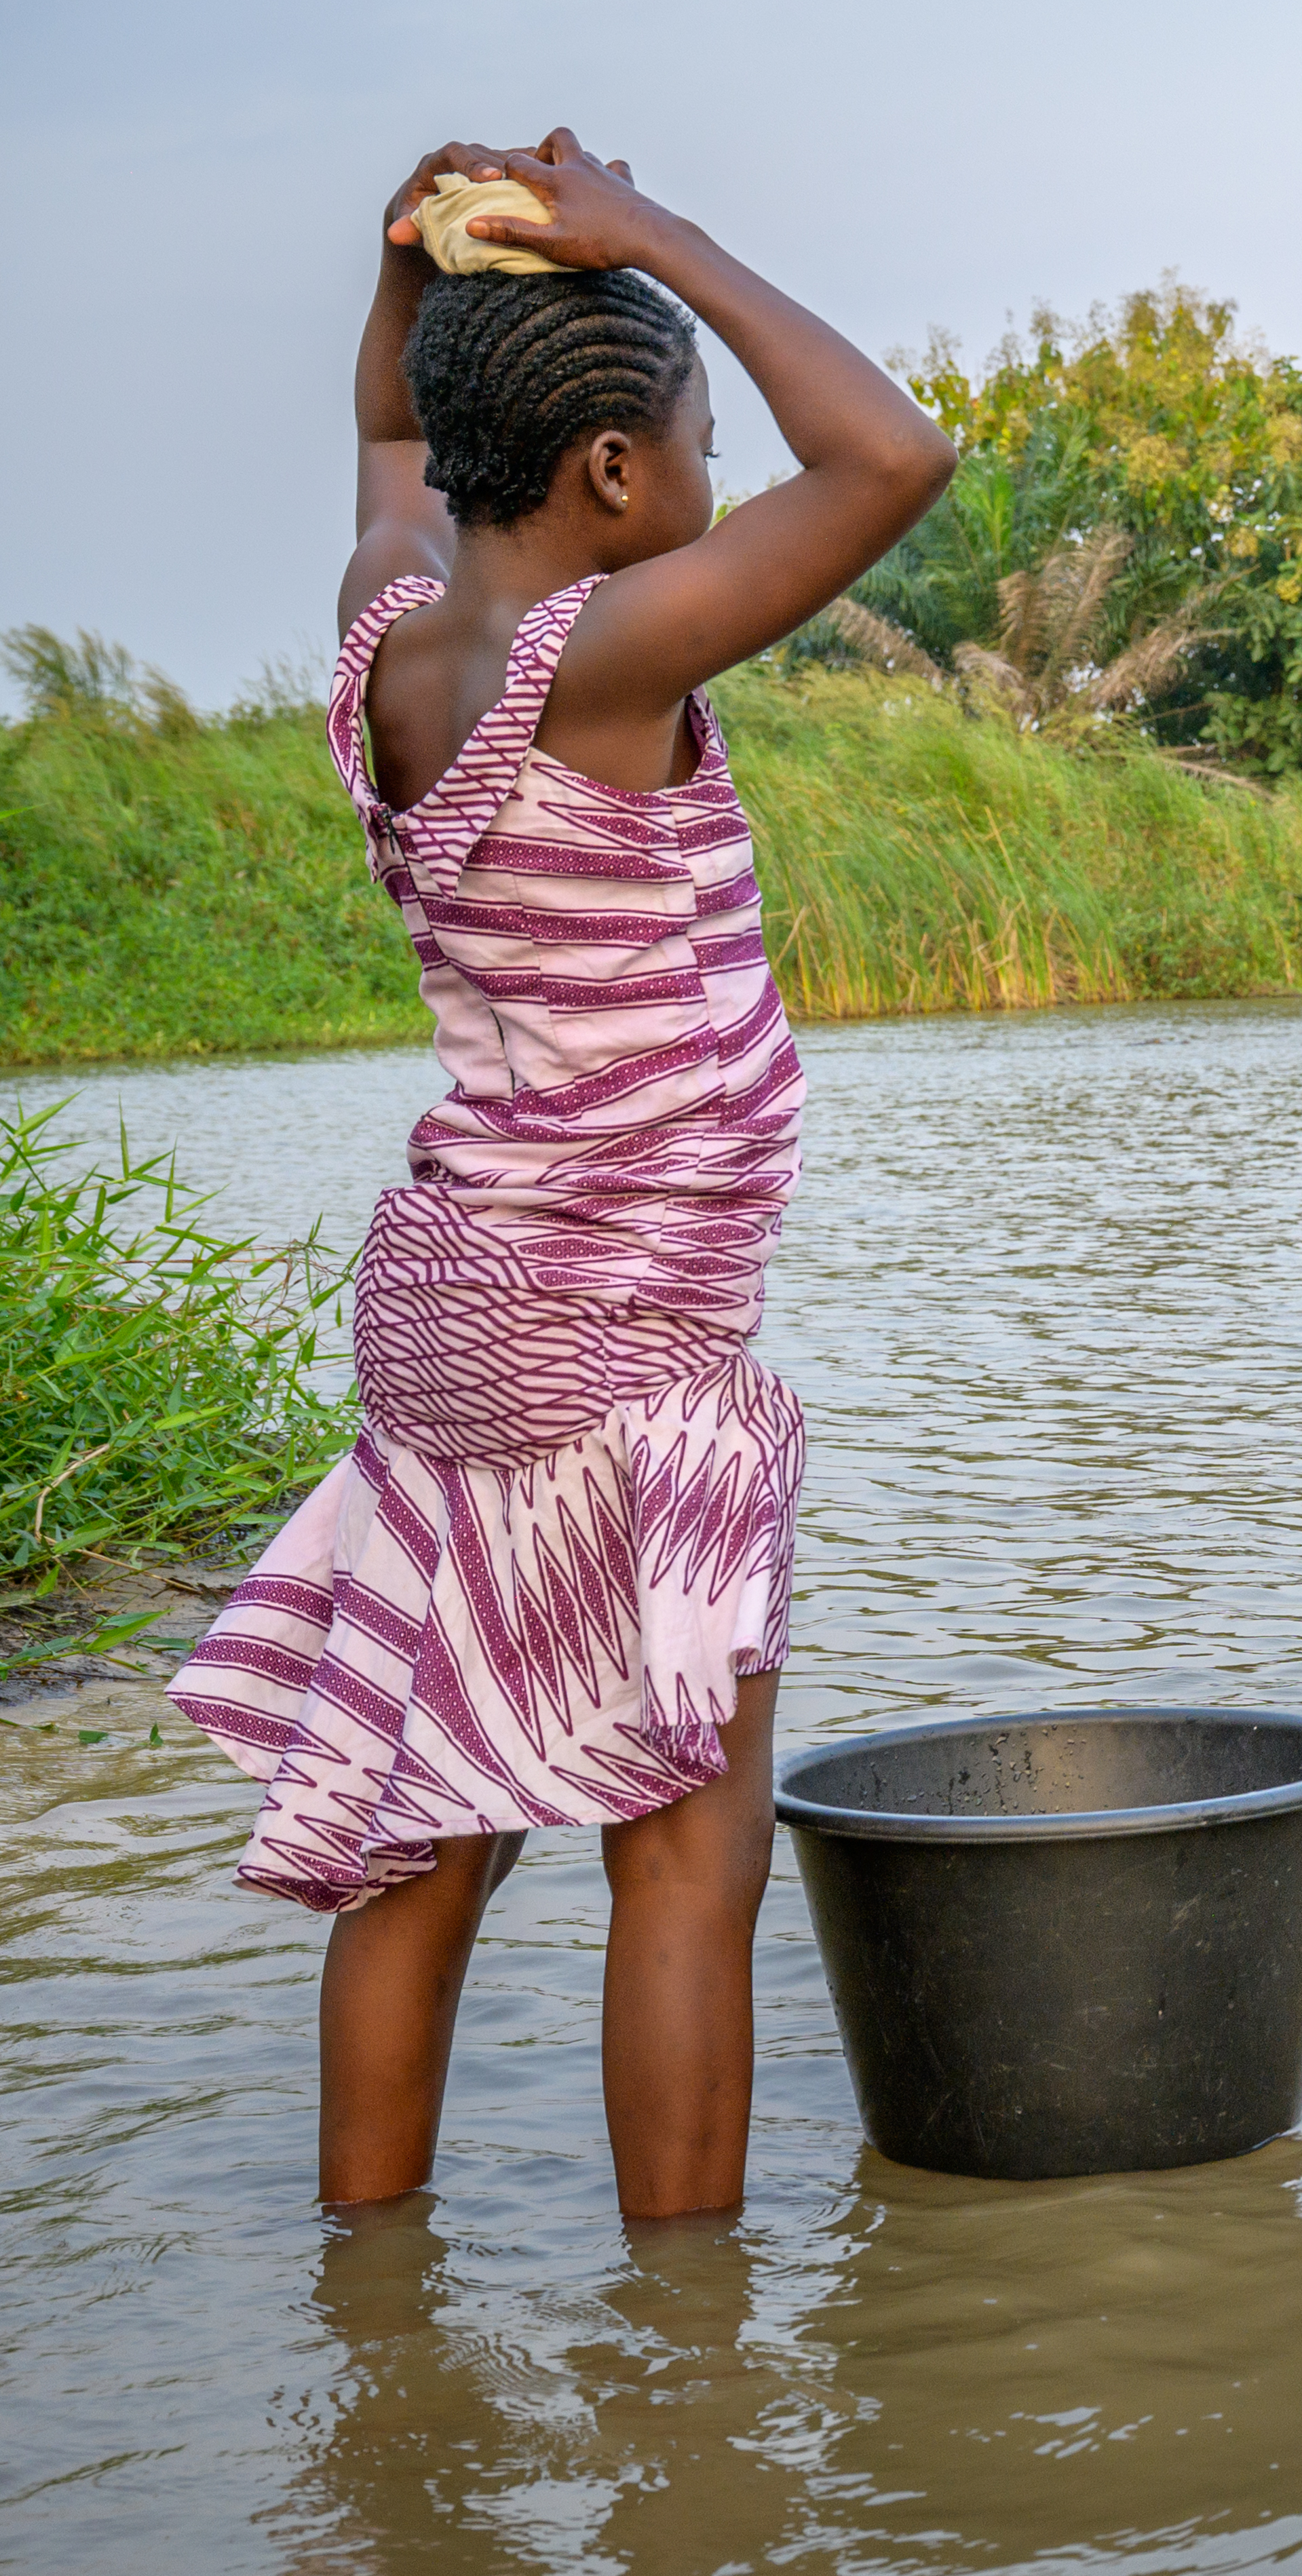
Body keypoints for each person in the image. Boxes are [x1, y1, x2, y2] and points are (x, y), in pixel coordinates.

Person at [167, 130, 953, 2217]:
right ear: (616, 476)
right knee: (683, 1853)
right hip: (617, 1351)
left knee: (422, 1835)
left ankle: (375, 2298)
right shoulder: (595, 668)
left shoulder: (389, 632)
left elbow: (386, 423)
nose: (721, 468)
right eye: (697, 437)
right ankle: (688, 2372)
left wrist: (404, 260)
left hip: (454, 1305)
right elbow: (889, 458)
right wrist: (648, 240)